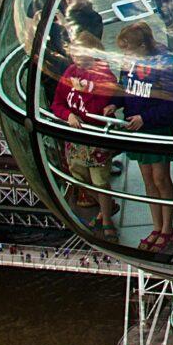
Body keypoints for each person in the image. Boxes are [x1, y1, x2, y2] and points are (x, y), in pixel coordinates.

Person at [115, 22, 173, 253]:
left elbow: (172, 103)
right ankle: (156, 227)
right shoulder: (130, 63)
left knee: (161, 179)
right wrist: (113, 104)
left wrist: (145, 118)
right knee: (148, 178)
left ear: (142, 46)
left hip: (155, 127)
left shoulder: (164, 66)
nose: (125, 55)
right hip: (138, 126)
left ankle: (167, 229)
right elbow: (123, 89)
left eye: (127, 49)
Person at [51, 28, 120, 235]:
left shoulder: (103, 75)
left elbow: (109, 99)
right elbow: (57, 103)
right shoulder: (70, 73)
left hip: (95, 137)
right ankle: (107, 205)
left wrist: (110, 103)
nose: (76, 58)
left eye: (80, 54)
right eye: (74, 53)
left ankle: (107, 220)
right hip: (76, 138)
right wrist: (68, 116)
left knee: (100, 181)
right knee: (80, 178)